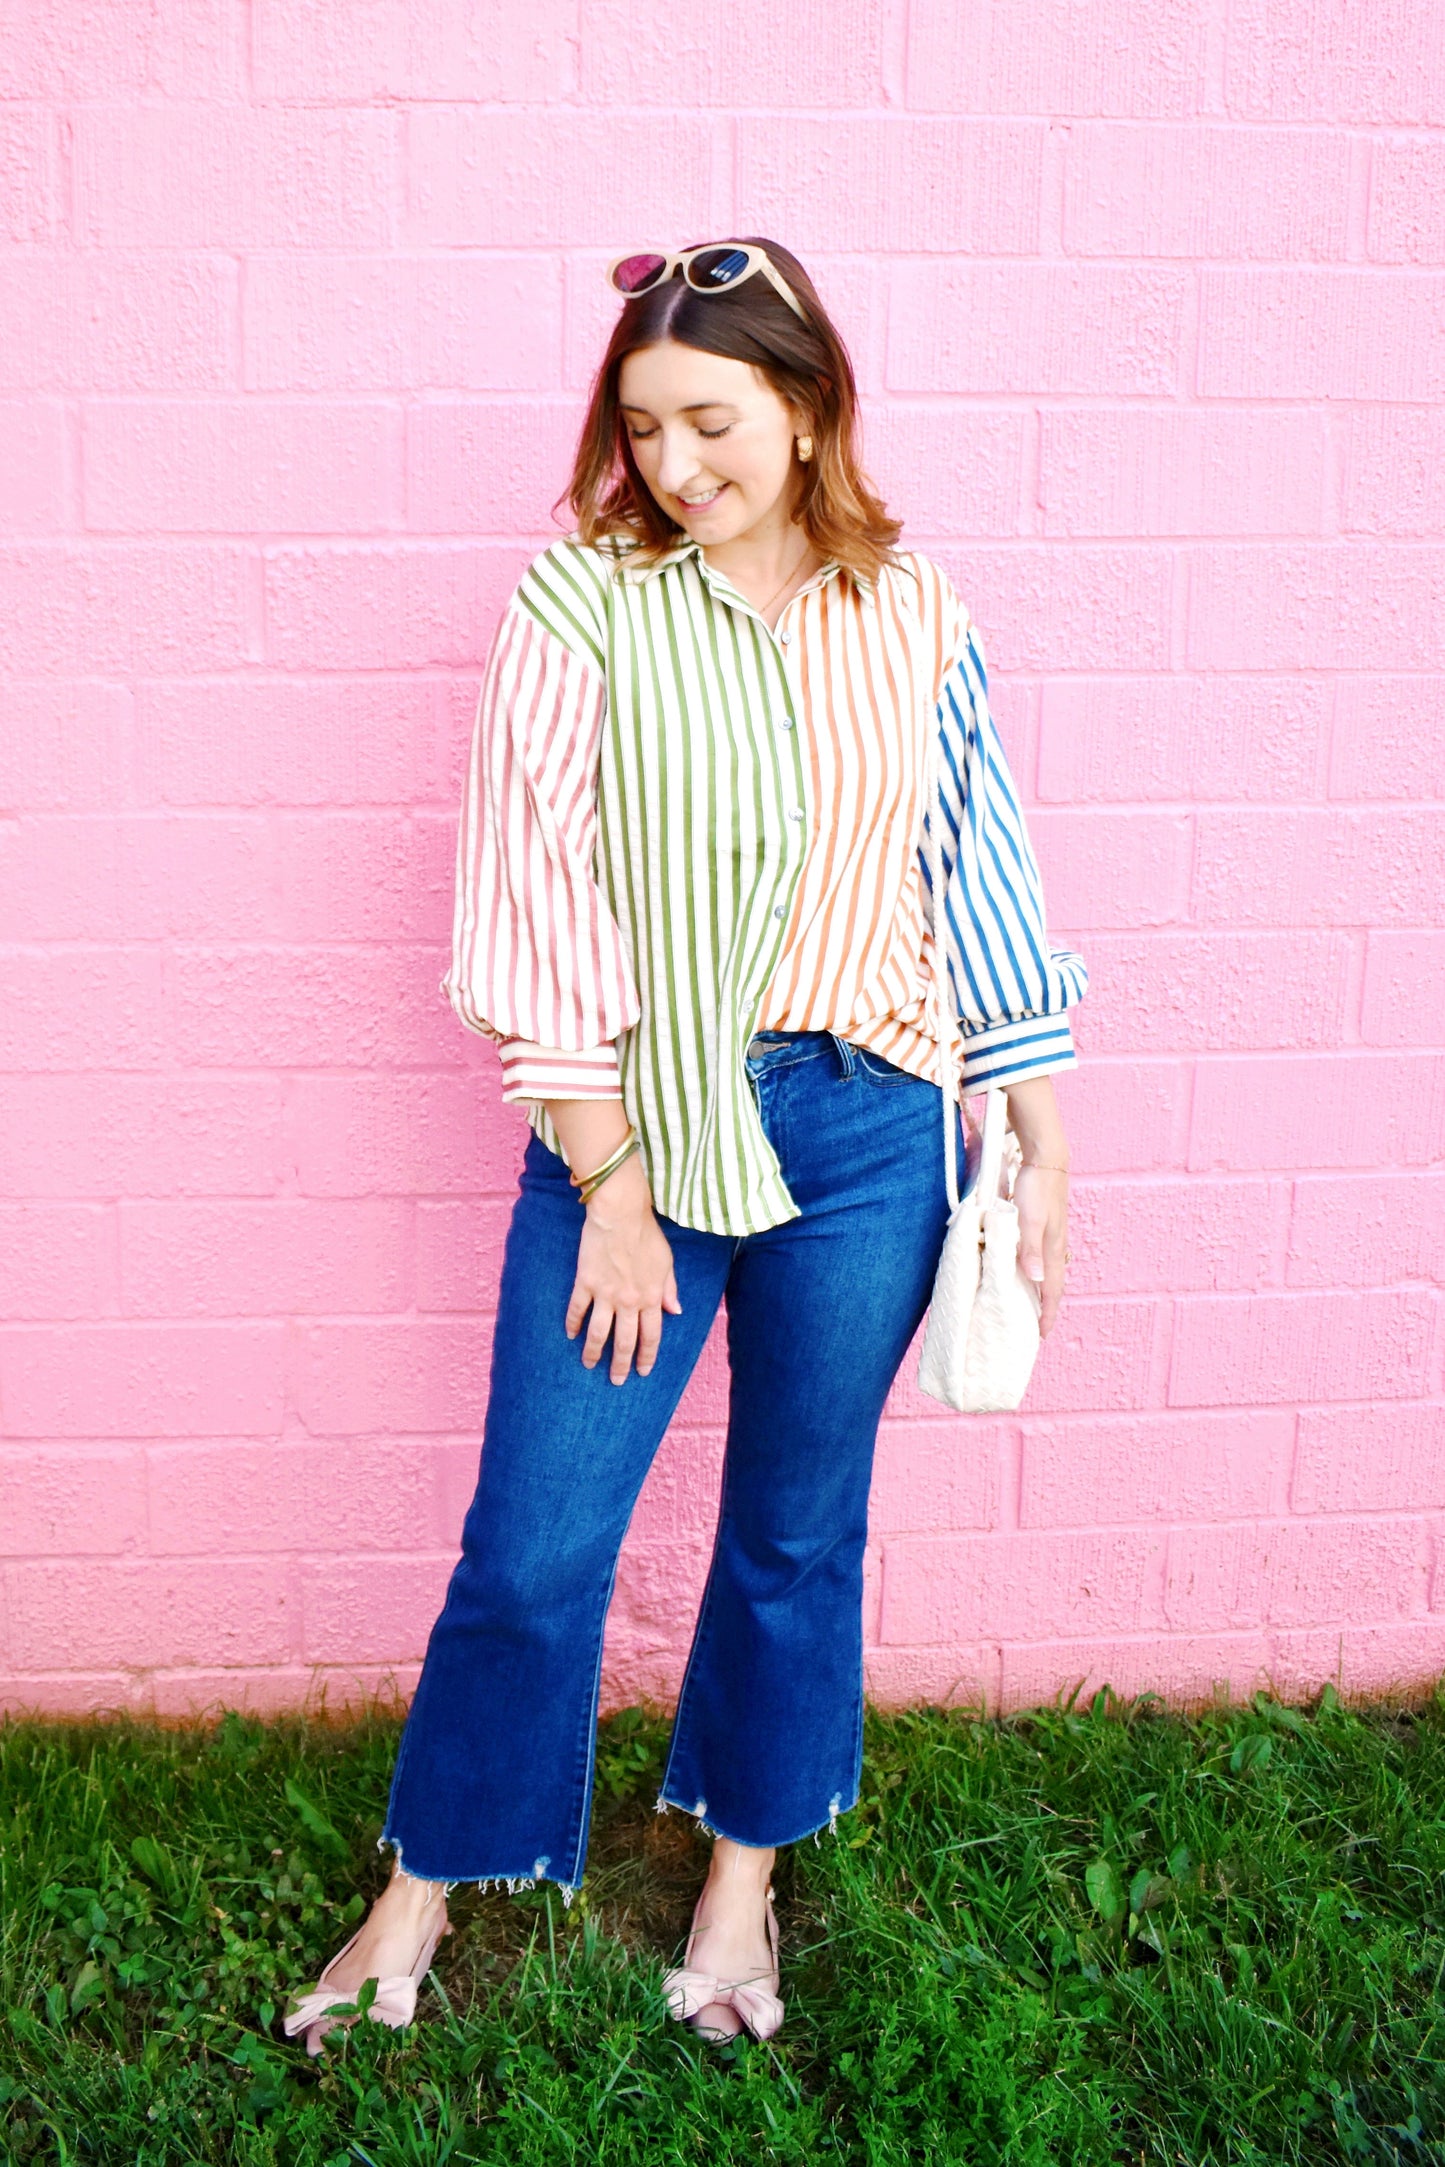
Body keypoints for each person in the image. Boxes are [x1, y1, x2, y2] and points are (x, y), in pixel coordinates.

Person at [283, 237, 1087, 2055]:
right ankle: (427, 1878)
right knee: (535, 1540)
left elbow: (974, 865)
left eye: (708, 420)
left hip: (872, 1128)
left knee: (797, 1531)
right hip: (636, 1124)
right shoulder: (580, 604)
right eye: (642, 426)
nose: (672, 461)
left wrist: (1037, 1136)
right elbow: (532, 907)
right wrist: (612, 1187)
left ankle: (740, 1880)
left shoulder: (912, 607)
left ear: (804, 411)